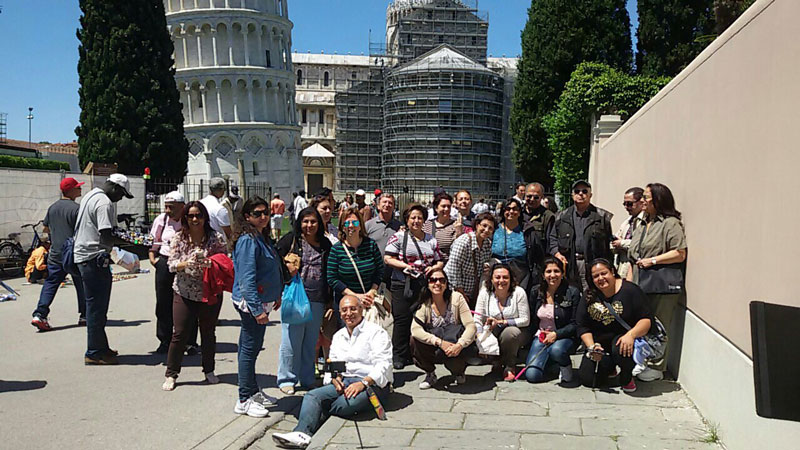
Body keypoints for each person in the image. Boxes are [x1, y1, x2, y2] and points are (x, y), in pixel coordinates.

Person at [271, 295, 392, 449]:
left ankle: (313, 418)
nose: (349, 313)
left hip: (371, 384)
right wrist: (335, 379)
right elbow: (332, 363)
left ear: (361, 309)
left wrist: (363, 383)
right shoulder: (339, 335)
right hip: (345, 380)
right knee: (311, 396)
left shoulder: (376, 332)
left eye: (353, 309)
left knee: (345, 404)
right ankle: (301, 433)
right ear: (340, 314)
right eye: (344, 310)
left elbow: (384, 364)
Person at [162, 201, 227, 390]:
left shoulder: (215, 238)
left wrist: (210, 263)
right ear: (185, 218)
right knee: (180, 333)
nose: (195, 219)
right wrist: (186, 263)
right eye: (190, 216)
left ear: (205, 217)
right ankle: (171, 373)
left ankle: (209, 370)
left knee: (208, 332)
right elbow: (171, 264)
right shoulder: (179, 238)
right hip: (185, 291)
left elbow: (224, 260)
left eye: (198, 215)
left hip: (209, 291)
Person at [627, 183, 687, 381]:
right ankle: (641, 360)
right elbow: (633, 256)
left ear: (658, 200)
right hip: (640, 282)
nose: (642, 201)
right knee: (641, 322)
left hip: (660, 285)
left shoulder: (670, 224)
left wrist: (653, 260)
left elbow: (679, 253)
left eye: (646, 197)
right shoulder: (642, 223)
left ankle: (656, 367)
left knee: (659, 325)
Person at [232, 196, 284, 417]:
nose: (263, 217)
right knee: (249, 349)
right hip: (252, 303)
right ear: (247, 216)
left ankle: (252, 391)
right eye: (257, 214)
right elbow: (246, 278)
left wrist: (276, 294)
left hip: (264, 300)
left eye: (266, 213)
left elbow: (271, 268)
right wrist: (256, 310)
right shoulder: (248, 240)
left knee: (249, 347)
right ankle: (244, 398)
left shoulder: (261, 236)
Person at [74, 173, 133, 365]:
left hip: (85, 256)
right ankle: (94, 352)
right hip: (94, 258)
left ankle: (101, 346)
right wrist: (133, 242)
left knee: (97, 307)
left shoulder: (91, 195)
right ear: (115, 188)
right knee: (97, 308)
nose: (120, 198)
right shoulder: (104, 203)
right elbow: (106, 235)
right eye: (121, 194)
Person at [276, 207, 332, 395]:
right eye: (305, 221)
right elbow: (275, 258)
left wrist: (329, 300)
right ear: (299, 223)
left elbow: (329, 270)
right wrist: (286, 272)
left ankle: (307, 378)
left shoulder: (325, 244)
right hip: (295, 296)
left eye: (313, 221)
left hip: (317, 298)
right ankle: (287, 379)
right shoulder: (291, 240)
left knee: (310, 341)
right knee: (291, 340)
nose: (309, 225)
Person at [575, 258, 653, 393]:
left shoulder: (630, 290)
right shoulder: (589, 294)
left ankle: (627, 376)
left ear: (612, 271)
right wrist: (592, 347)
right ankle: (609, 367)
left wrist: (631, 335)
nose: (600, 278)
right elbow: (582, 325)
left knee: (620, 347)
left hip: (624, 340)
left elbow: (646, 320)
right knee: (588, 379)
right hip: (600, 343)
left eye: (604, 273)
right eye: (596, 276)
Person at [384, 203, 443, 369]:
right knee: (402, 319)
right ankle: (399, 355)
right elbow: (388, 258)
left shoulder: (430, 239)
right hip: (402, 283)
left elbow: (439, 260)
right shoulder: (399, 237)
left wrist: (434, 268)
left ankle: (415, 353)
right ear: (407, 220)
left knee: (420, 319)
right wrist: (405, 266)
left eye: (420, 218)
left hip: (423, 284)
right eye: (413, 218)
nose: (416, 221)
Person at [31, 177, 87, 331]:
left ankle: (39, 314)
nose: (80, 189)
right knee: (82, 283)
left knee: (50, 283)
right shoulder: (77, 209)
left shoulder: (53, 208)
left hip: (56, 254)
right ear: (71, 190)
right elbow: (83, 230)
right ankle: (84, 315)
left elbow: (46, 228)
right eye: (78, 187)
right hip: (74, 254)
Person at [411, 269, 477, 389]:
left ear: (446, 284)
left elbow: (471, 326)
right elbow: (415, 330)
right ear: (427, 284)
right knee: (413, 340)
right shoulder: (425, 303)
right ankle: (430, 373)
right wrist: (438, 342)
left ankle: (458, 372)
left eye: (442, 280)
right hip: (436, 345)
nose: (437, 283)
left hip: (454, 343)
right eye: (433, 280)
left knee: (455, 361)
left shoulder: (457, 298)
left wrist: (460, 345)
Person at [148, 191, 195, 354]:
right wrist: (153, 259)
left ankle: (189, 341)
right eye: (166, 207)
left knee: (188, 301)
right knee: (163, 302)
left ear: (182, 207)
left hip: (185, 263)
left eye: (172, 207)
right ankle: (165, 340)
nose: (168, 210)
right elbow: (154, 241)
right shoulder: (161, 220)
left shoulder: (190, 220)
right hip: (165, 262)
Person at [549, 180, 613, 292]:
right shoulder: (561, 217)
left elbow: (608, 244)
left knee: (591, 295)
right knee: (570, 295)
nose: (580, 194)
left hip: (593, 264)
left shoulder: (602, 217)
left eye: (584, 191)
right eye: (577, 191)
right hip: (569, 264)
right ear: (572, 195)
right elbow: (553, 239)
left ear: (590, 195)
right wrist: (557, 253)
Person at [524, 257, 579, 383]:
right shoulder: (536, 291)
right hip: (541, 336)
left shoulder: (572, 292)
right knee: (532, 376)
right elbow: (532, 318)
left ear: (562, 273)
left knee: (556, 350)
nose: (553, 275)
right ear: (543, 275)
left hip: (564, 336)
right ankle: (551, 363)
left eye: (556, 271)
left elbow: (575, 323)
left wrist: (556, 334)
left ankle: (565, 366)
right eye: (548, 271)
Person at [474, 263, 531, 381]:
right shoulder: (485, 293)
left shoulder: (519, 292)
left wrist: (502, 322)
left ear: (511, 279)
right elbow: (477, 319)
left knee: (510, 333)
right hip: (492, 331)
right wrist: (479, 335)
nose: (501, 281)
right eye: (497, 277)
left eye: (505, 277)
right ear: (491, 279)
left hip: (517, 332)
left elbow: (525, 320)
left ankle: (510, 366)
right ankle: (496, 362)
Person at [326, 207, 384, 308]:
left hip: (370, 300)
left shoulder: (371, 245)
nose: (351, 226)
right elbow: (332, 278)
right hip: (347, 304)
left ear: (360, 226)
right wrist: (355, 296)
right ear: (342, 227)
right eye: (347, 223)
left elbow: (380, 270)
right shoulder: (336, 249)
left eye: (355, 223)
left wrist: (372, 291)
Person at [444, 212, 496, 307]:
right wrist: (460, 292)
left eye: (490, 228)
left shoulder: (487, 244)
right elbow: (452, 268)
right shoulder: (464, 242)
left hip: (473, 292)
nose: (486, 230)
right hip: (456, 291)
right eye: (484, 226)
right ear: (477, 225)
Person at [522, 183, 556, 290]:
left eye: (536, 197)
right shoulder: (517, 213)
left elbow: (550, 243)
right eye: (529, 196)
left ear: (542, 197)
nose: (532, 199)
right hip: (520, 264)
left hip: (537, 266)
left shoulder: (548, 216)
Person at [491, 198, 531, 291]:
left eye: (515, 209)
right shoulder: (494, 229)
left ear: (520, 212)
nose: (511, 211)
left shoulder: (527, 231)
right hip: (497, 277)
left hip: (520, 277)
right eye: (508, 209)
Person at [612, 187, 645, 280]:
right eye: (624, 204)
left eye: (630, 204)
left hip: (636, 267)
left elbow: (642, 243)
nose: (626, 207)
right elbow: (618, 238)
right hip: (622, 265)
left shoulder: (646, 221)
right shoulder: (627, 221)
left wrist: (622, 243)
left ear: (641, 202)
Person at [422, 193, 460, 262]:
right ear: (436, 208)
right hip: (429, 263)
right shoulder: (427, 224)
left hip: (447, 264)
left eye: (449, 206)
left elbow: (458, 248)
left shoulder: (455, 225)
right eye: (443, 206)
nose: (446, 209)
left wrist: (459, 232)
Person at [200, 177, 233, 242]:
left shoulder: (199, 203)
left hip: (201, 240)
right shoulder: (220, 209)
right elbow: (228, 233)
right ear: (221, 190)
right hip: (217, 243)